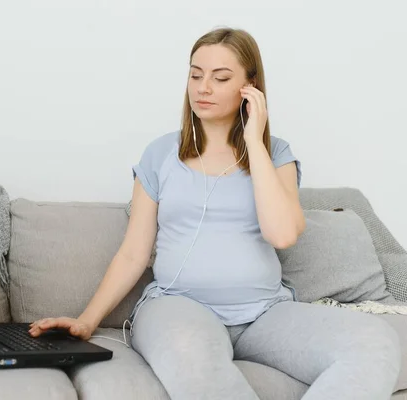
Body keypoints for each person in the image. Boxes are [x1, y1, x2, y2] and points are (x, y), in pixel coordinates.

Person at [28, 27, 401, 399]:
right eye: (195, 74)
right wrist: (87, 320)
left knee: (375, 342)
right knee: (197, 364)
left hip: (265, 314)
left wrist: (255, 141)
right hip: (177, 309)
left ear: (249, 86)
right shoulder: (160, 155)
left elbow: (283, 234)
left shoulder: (276, 154)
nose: (202, 88)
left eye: (220, 78)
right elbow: (133, 253)